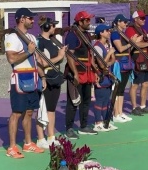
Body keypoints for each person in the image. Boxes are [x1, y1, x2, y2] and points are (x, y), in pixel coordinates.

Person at [4, 7, 47, 158]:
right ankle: (12, 147)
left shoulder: (32, 38)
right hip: (19, 80)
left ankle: (28, 143)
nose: (32, 20)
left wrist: (43, 77)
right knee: (16, 113)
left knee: (29, 112)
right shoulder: (12, 38)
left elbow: (37, 60)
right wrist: (28, 51)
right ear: (21, 19)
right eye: (30, 18)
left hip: (33, 78)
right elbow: (11, 59)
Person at [64, 11, 98, 139]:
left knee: (86, 100)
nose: (90, 22)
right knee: (73, 101)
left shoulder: (86, 35)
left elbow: (90, 54)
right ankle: (69, 128)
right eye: (87, 20)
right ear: (80, 21)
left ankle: (83, 126)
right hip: (77, 73)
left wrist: (95, 70)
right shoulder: (72, 35)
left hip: (88, 72)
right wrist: (75, 74)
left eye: (90, 20)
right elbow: (69, 55)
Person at [35, 15, 67, 149]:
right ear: (47, 27)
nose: (55, 28)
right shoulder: (39, 41)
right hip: (46, 76)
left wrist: (61, 55)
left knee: (51, 109)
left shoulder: (52, 40)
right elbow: (41, 62)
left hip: (55, 76)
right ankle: (40, 138)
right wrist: (60, 56)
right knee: (42, 108)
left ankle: (51, 136)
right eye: (53, 25)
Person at [110, 14, 141, 122]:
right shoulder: (115, 34)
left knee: (122, 89)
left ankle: (120, 112)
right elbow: (120, 48)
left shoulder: (122, 34)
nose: (126, 24)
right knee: (117, 89)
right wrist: (132, 43)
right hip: (119, 64)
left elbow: (128, 48)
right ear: (118, 22)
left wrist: (133, 42)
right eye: (124, 22)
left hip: (126, 63)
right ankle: (115, 113)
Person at [125, 10, 148, 116]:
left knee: (146, 83)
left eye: (144, 18)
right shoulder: (130, 30)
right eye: (141, 18)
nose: (144, 20)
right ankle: (134, 107)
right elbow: (136, 44)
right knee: (135, 84)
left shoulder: (143, 30)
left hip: (145, 59)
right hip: (137, 59)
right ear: (135, 19)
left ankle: (142, 106)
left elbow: (143, 44)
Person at [92, 24, 118, 131]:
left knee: (106, 100)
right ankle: (98, 122)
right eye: (107, 30)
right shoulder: (97, 46)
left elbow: (112, 60)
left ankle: (106, 121)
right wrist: (109, 54)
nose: (109, 32)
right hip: (100, 76)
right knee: (100, 100)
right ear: (101, 33)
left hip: (108, 76)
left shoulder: (107, 45)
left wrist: (110, 56)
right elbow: (102, 64)